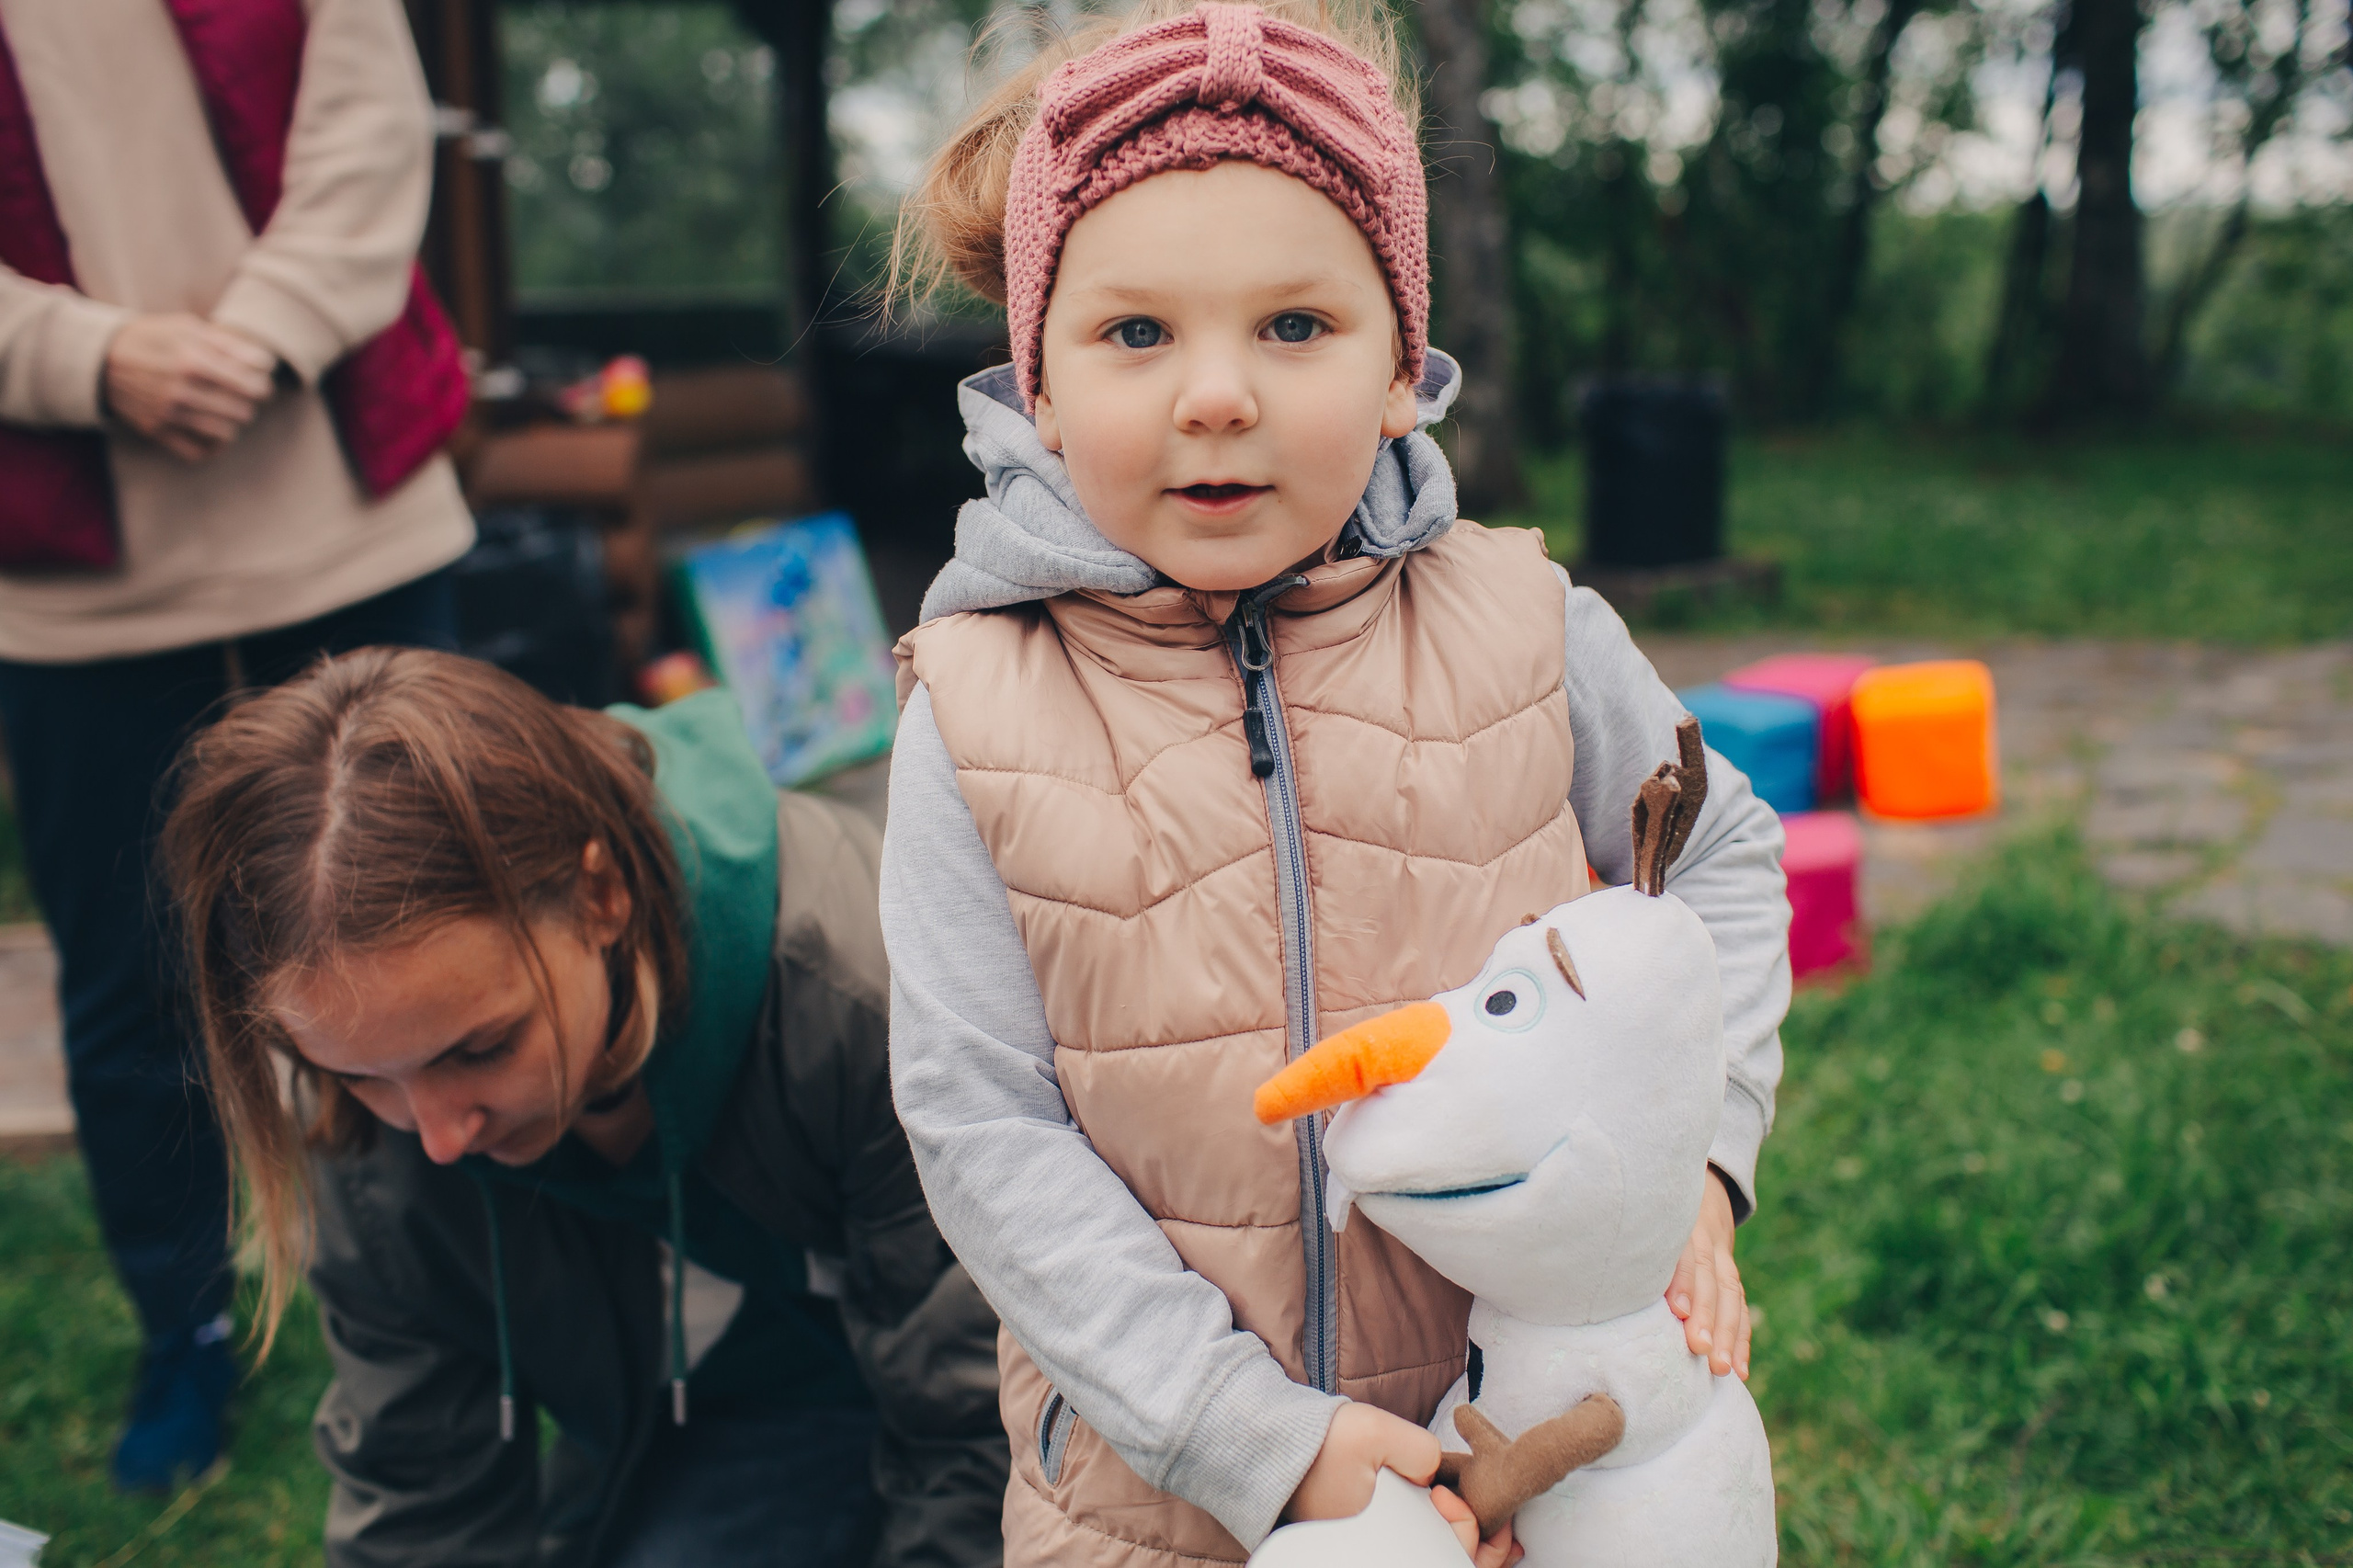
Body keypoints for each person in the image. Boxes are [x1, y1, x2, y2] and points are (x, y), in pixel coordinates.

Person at [877, 3, 1791, 1564]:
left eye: (1295, 326)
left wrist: (1690, 1161)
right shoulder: (972, 705)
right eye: (1136, 333)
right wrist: (1255, 1440)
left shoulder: (1528, 625)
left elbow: (1715, 861)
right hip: (1148, 1489)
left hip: (1527, 1456)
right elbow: (982, 1124)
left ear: (1399, 371)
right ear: (1036, 382)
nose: (1217, 394)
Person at [158, 648, 1007, 1567]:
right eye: (359, 1073)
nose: (440, 1134)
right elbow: (421, 1492)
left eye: (480, 1048)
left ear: (601, 893)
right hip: (745, 1413)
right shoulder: (358, 1103)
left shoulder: (867, 999)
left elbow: (982, 1426)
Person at [0, 0, 475, 1489]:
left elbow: (370, 137)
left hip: (347, 516)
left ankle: (481, 1297)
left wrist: (254, 339)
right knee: (134, 977)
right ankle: (191, 1337)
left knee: (447, 919)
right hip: (79, 571)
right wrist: (90, 357)